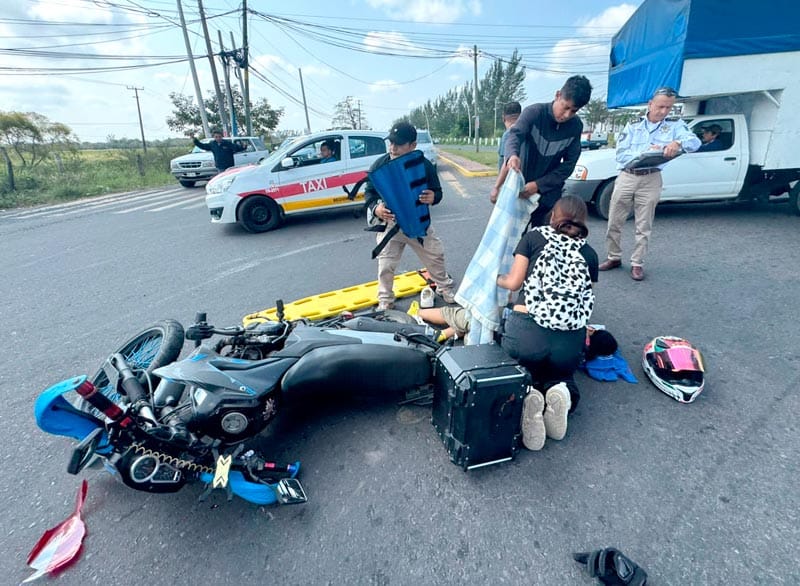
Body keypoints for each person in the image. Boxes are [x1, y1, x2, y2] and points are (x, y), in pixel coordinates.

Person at [496, 196, 598, 451]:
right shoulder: (589, 254)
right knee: (562, 377)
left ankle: (528, 395)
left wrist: (495, 278)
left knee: (516, 370)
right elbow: (584, 299)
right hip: (567, 344)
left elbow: (514, 283)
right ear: (583, 223)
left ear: (553, 216)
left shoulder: (534, 238)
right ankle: (561, 393)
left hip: (526, 335)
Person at [599, 86, 701, 281]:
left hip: (651, 177)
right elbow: (621, 154)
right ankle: (613, 256)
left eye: (668, 108)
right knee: (614, 220)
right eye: (661, 106)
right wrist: (648, 151)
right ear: (650, 104)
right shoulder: (633, 125)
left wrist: (678, 143)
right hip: (628, 175)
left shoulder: (675, 125)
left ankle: (637, 263)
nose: (664, 111)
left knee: (644, 223)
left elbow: (694, 143)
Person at [365, 121, 456, 310]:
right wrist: (376, 209)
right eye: (391, 142)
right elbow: (369, 194)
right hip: (390, 226)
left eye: (398, 144)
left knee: (435, 256)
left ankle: (445, 288)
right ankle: (385, 301)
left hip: (417, 223)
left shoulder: (424, 166)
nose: (393, 147)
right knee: (385, 266)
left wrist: (433, 197)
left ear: (413, 145)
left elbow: (437, 192)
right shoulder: (380, 166)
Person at [491, 75, 593, 228]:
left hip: (548, 197)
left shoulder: (575, 126)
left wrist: (538, 185)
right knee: (515, 243)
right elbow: (514, 136)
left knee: (543, 243)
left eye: (573, 111)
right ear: (558, 95)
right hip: (520, 191)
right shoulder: (534, 113)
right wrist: (512, 155)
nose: (567, 115)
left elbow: (568, 165)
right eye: (565, 107)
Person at [497, 101, 522, 170]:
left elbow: (504, 164)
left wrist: (500, 180)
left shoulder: (508, 134)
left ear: (503, 118)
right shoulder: (527, 131)